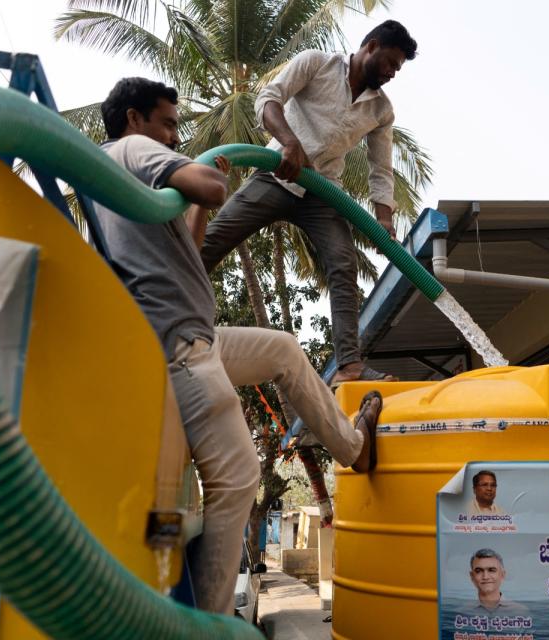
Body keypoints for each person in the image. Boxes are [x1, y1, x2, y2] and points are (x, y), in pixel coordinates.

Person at [94, 77, 383, 615]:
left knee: (281, 350)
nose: (175, 137)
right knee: (237, 474)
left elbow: (191, 238)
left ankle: (353, 448)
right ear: (134, 119)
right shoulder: (132, 148)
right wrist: (211, 173)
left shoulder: (123, 176)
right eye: (169, 124)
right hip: (179, 343)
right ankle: (210, 621)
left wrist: (200, 200)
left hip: (196, 334)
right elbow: (210, 187)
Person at [199, 20, 418, 386]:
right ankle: (161, 299)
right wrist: (288, 142)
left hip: (322, 193)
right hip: (277, 174)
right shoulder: (317, 62)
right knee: (215, 238)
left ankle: (349, 367)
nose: (393, 73)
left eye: (397, 69)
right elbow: (268, 99)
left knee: (344, 266)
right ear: (372, 46)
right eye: (391, 63)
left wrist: (384, 218)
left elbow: (381, 168)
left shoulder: (382, 110)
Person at [466, 549, 527, 616]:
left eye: (491, 570)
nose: (485, 577)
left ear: (502, 574)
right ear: (472, 576)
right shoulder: (462, 613)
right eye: (479, 571)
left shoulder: (520, 612)